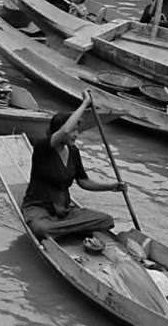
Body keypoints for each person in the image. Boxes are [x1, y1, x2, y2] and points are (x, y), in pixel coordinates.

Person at [21, 99, 122, 239]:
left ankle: (64, 229)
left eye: (77, 131)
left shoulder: (73, 151)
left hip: (64, 211)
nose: (76, 135)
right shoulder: (43, 148)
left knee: (106, 220)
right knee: (42, 229)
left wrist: (111, 186)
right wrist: (85, 103)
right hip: (39, 209)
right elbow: (65, 130)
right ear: (59, 132)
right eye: (73, 131)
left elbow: (84, 181)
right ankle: (68, 229)